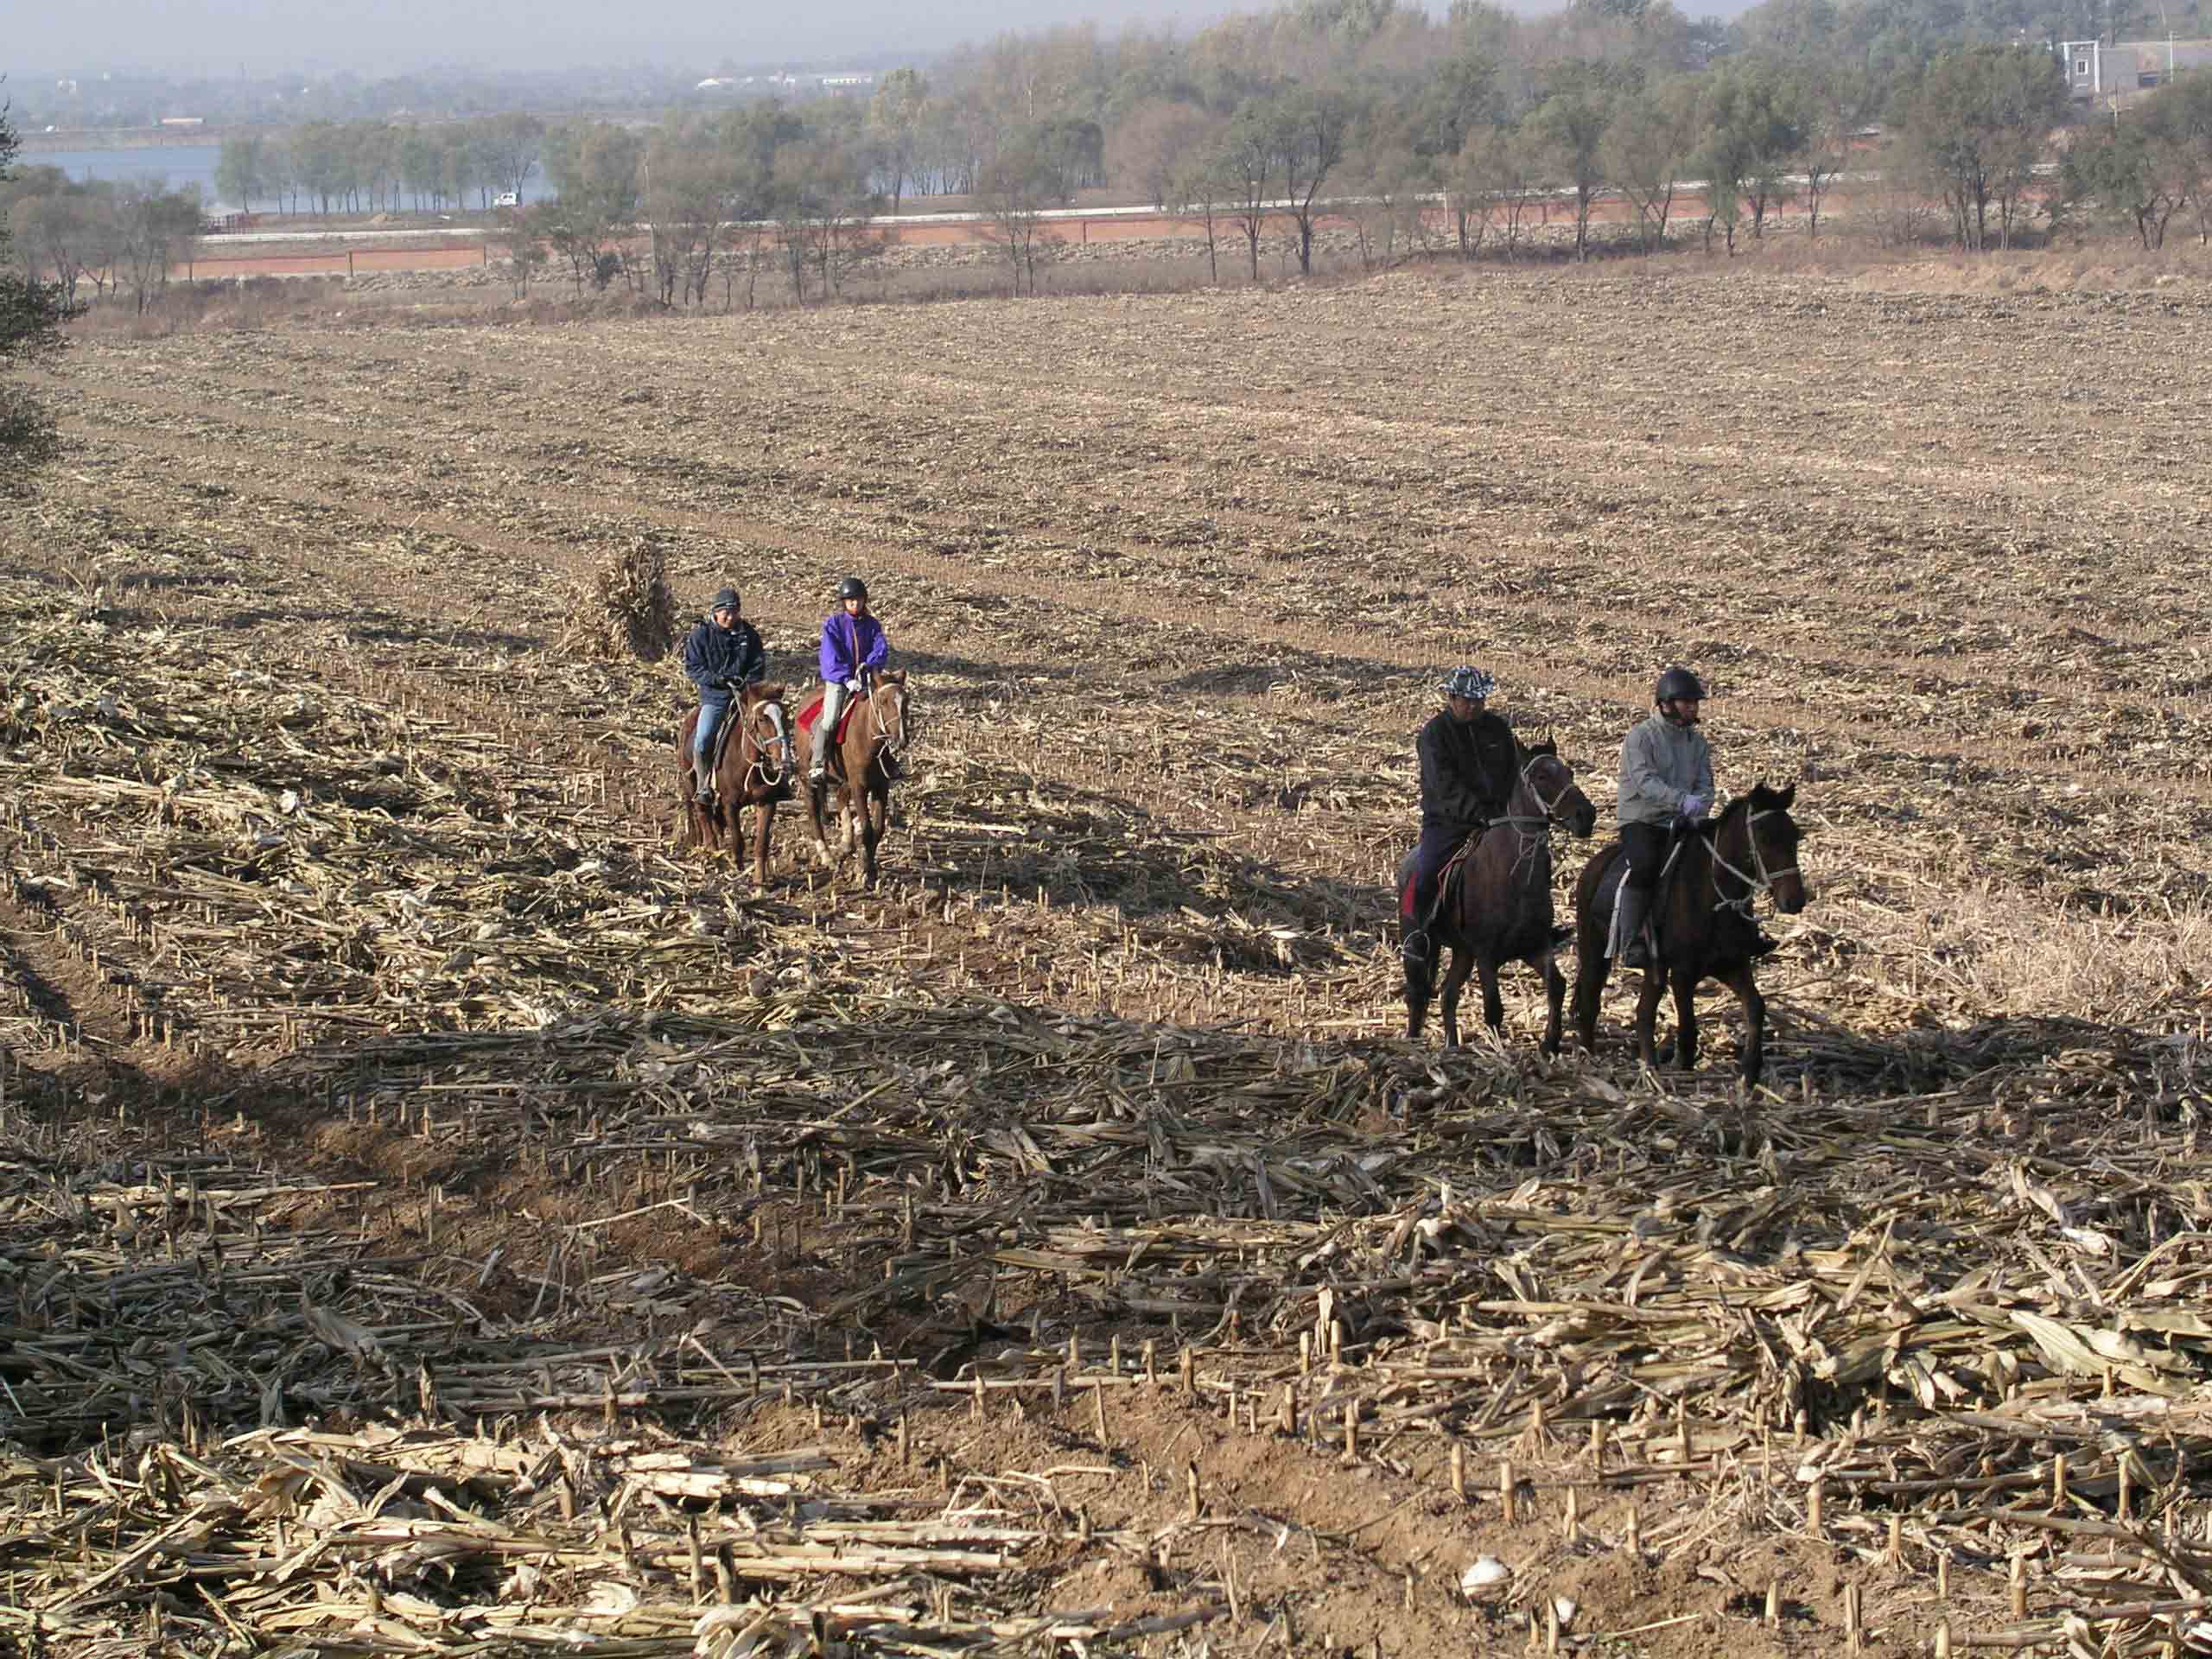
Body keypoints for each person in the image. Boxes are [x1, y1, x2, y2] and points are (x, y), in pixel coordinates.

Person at [1402, 665, 1519, 969]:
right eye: (1468, 700)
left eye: (1480, 701)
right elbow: (1444, 786)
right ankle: (1419, 935)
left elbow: (1512, 771)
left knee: (1532, 861)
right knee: (1426, 872)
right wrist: (1477, 814)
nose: (1475, 707)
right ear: (1451, 698)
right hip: (1448, 822)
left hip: (1498, 819)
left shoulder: (1497, 729)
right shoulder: (1434, 735)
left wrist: (1504, 810)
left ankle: (1536, 928)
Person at [1614, 664, 1717, 968]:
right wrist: (1680, 801)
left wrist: (1700, 804)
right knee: (1645, 867)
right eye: (1688, 702)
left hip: (1685, 819)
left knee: (1720, 859)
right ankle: (1631, 940)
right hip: (1643, 820)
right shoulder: (1641, 737)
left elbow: (1705, 782)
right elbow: (1645, 784)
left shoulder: (1697, 742)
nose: (1693, 708)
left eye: (1695, 703)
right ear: (1667, 703)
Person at [683, 587, 767, 804]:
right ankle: (703, 786)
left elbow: (758, 663)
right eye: (726, 613)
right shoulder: (701, 635)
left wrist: (747, 681)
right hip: (715, 697)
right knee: (702, 741)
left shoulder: (748, 634)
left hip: (745, 695)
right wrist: (717, 679)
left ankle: (776, 776)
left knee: (770, 725)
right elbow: (693, 667)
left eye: (735, 612)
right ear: (716, 612)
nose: (730, 617)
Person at [811, 575, 890, 784]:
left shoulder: (873, 624)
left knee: (884, 712)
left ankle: (888, 760)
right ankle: (818, 763)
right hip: (839, 680)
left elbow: (880, 648)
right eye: (850, 600)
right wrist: (846, 678)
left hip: (866, 678)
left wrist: (870, 665)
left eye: (858, 600)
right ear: (844, 603)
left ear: (865, 601)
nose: (855, 603)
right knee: (829, 720)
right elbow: (830, 655)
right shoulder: (834, 624)